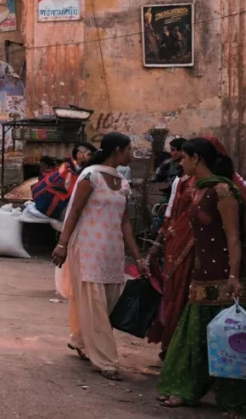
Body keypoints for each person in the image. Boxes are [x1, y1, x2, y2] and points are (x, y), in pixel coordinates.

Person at [157, 138, 245, 413]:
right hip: (201, 272)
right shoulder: (197, 190)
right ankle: (186, 389)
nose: (180, 163)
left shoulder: (222, 191)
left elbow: (233, 237)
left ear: (196, 159)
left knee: (229, 338)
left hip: (222, 274)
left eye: (183, 158)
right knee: (195, 337)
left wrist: (234, 275)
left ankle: (234, 398)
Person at [52, 133, 148, 381]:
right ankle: (106, 361)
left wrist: (138, 258)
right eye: (129, 149)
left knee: (107, 303)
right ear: (117, 150)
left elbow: (125, 222)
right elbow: (73, 212)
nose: (131, 154)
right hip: (87, 248)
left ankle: (80, 339)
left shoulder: (121, 181)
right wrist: (62, 244)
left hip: (112, 251)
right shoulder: (90, 176)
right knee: (95, 304)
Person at [145, 147, 196, 360]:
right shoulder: (181, 181)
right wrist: (158, 244)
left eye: (184, 157)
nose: (180, 162)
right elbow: (170, 214)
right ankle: (172, 347)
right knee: (175, 293)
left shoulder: (215, 187)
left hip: (201, 251)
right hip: (178, 244)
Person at [30, 142, 96, 226]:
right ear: (79, 155)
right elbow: (76, 197)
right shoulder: (70, 173)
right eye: (90, 155)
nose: (92, 158)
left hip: (46, 203)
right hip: (54, 208)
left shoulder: (68, 166)